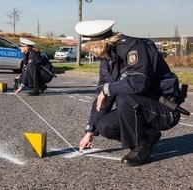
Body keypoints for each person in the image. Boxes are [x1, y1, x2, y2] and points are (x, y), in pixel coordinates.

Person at [76, 20, 183, 166]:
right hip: (140, 105)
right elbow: (102, 98)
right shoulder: (107, 61)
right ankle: (148, 136)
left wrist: (108, 89)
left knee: (124, 99)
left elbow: (138, 83)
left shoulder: (134, 47)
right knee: (104, 126)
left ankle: (141, 148)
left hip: (164, 108)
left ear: (100, 44)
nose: (93, 55)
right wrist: (90, 131)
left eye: (92, 50)